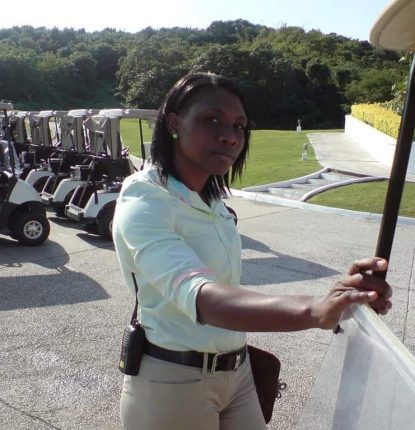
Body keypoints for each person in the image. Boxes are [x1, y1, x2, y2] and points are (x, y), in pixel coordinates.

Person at [112, 72, 392, 430]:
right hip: (173, 382)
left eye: (239, 126)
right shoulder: (145, 199)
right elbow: (204, 298)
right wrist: (314, 309)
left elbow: (228, 288)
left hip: (238, 371)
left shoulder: (212, 201)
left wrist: (340, 295)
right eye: (211, 120)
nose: (229, 136)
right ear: (174, 123)